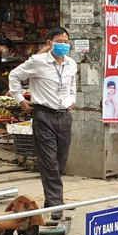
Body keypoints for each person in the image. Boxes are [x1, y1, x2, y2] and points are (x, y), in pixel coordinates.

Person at [8, 26, 77, 221]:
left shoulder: (71, 64)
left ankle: (52, 199)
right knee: (49, 162)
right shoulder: (37, 62)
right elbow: (14, 76)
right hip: (43, 115)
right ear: (49, 43)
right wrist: (20, 99)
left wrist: (71, 99)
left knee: (61, 161)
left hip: (64, 116)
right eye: (59, 41)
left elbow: (72, 84)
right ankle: (56, 205)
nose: (63, 45)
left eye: (66, 41)